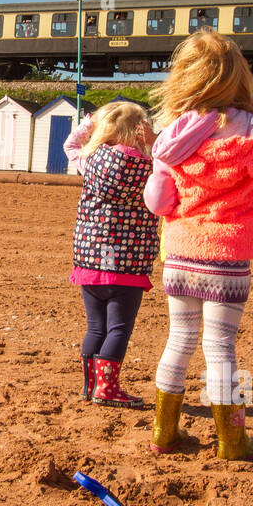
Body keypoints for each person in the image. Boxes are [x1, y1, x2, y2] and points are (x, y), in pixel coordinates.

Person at [143, 30, 253, 459]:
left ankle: (164, 433)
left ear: (184, 79)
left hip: (181, 254)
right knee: (220, 349)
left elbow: (158, 201)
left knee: (178, 340)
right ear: (241, 80)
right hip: (228, 257)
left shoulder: (172, 136)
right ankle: (232, 442)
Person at [63, 100, 160, 408]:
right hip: (127, 265)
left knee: (95, 327)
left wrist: (90, 124)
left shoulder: (90, 159)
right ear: (139, 131)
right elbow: (175, 165)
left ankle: (90, 386)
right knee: (118, 328)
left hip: (90, 261)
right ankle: (107, 389)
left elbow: (70, 144)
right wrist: (155, 143)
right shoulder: (151, 166)